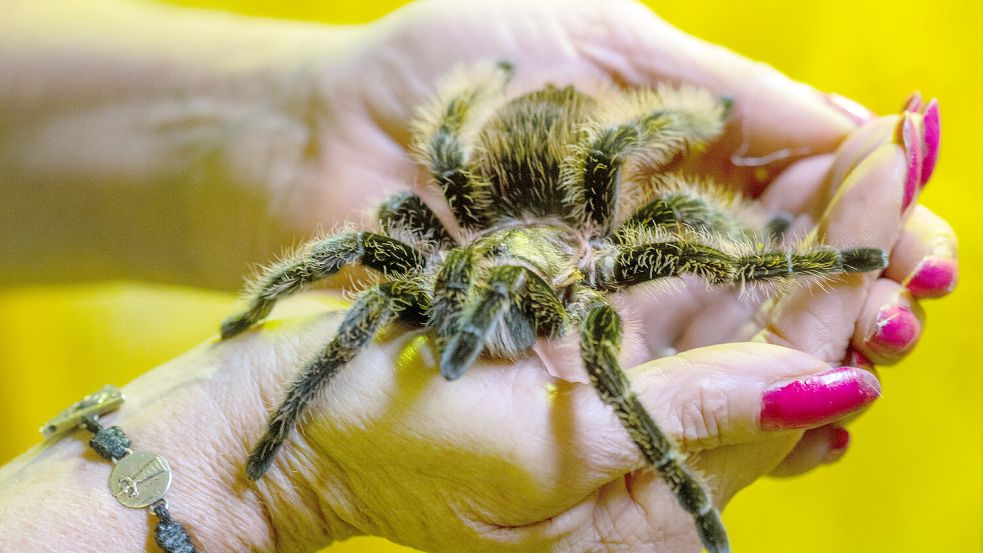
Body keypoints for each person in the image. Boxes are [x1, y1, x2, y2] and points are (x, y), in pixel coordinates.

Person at [0, 0, 956, 551]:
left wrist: (808, 257)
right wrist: (279, 453)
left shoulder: (606, 243)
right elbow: (378, 223)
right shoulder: (438, 237)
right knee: (361, 271)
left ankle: (806, 276)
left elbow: (643, 147)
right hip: (500, 215)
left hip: (566, 230)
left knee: (689, 231)